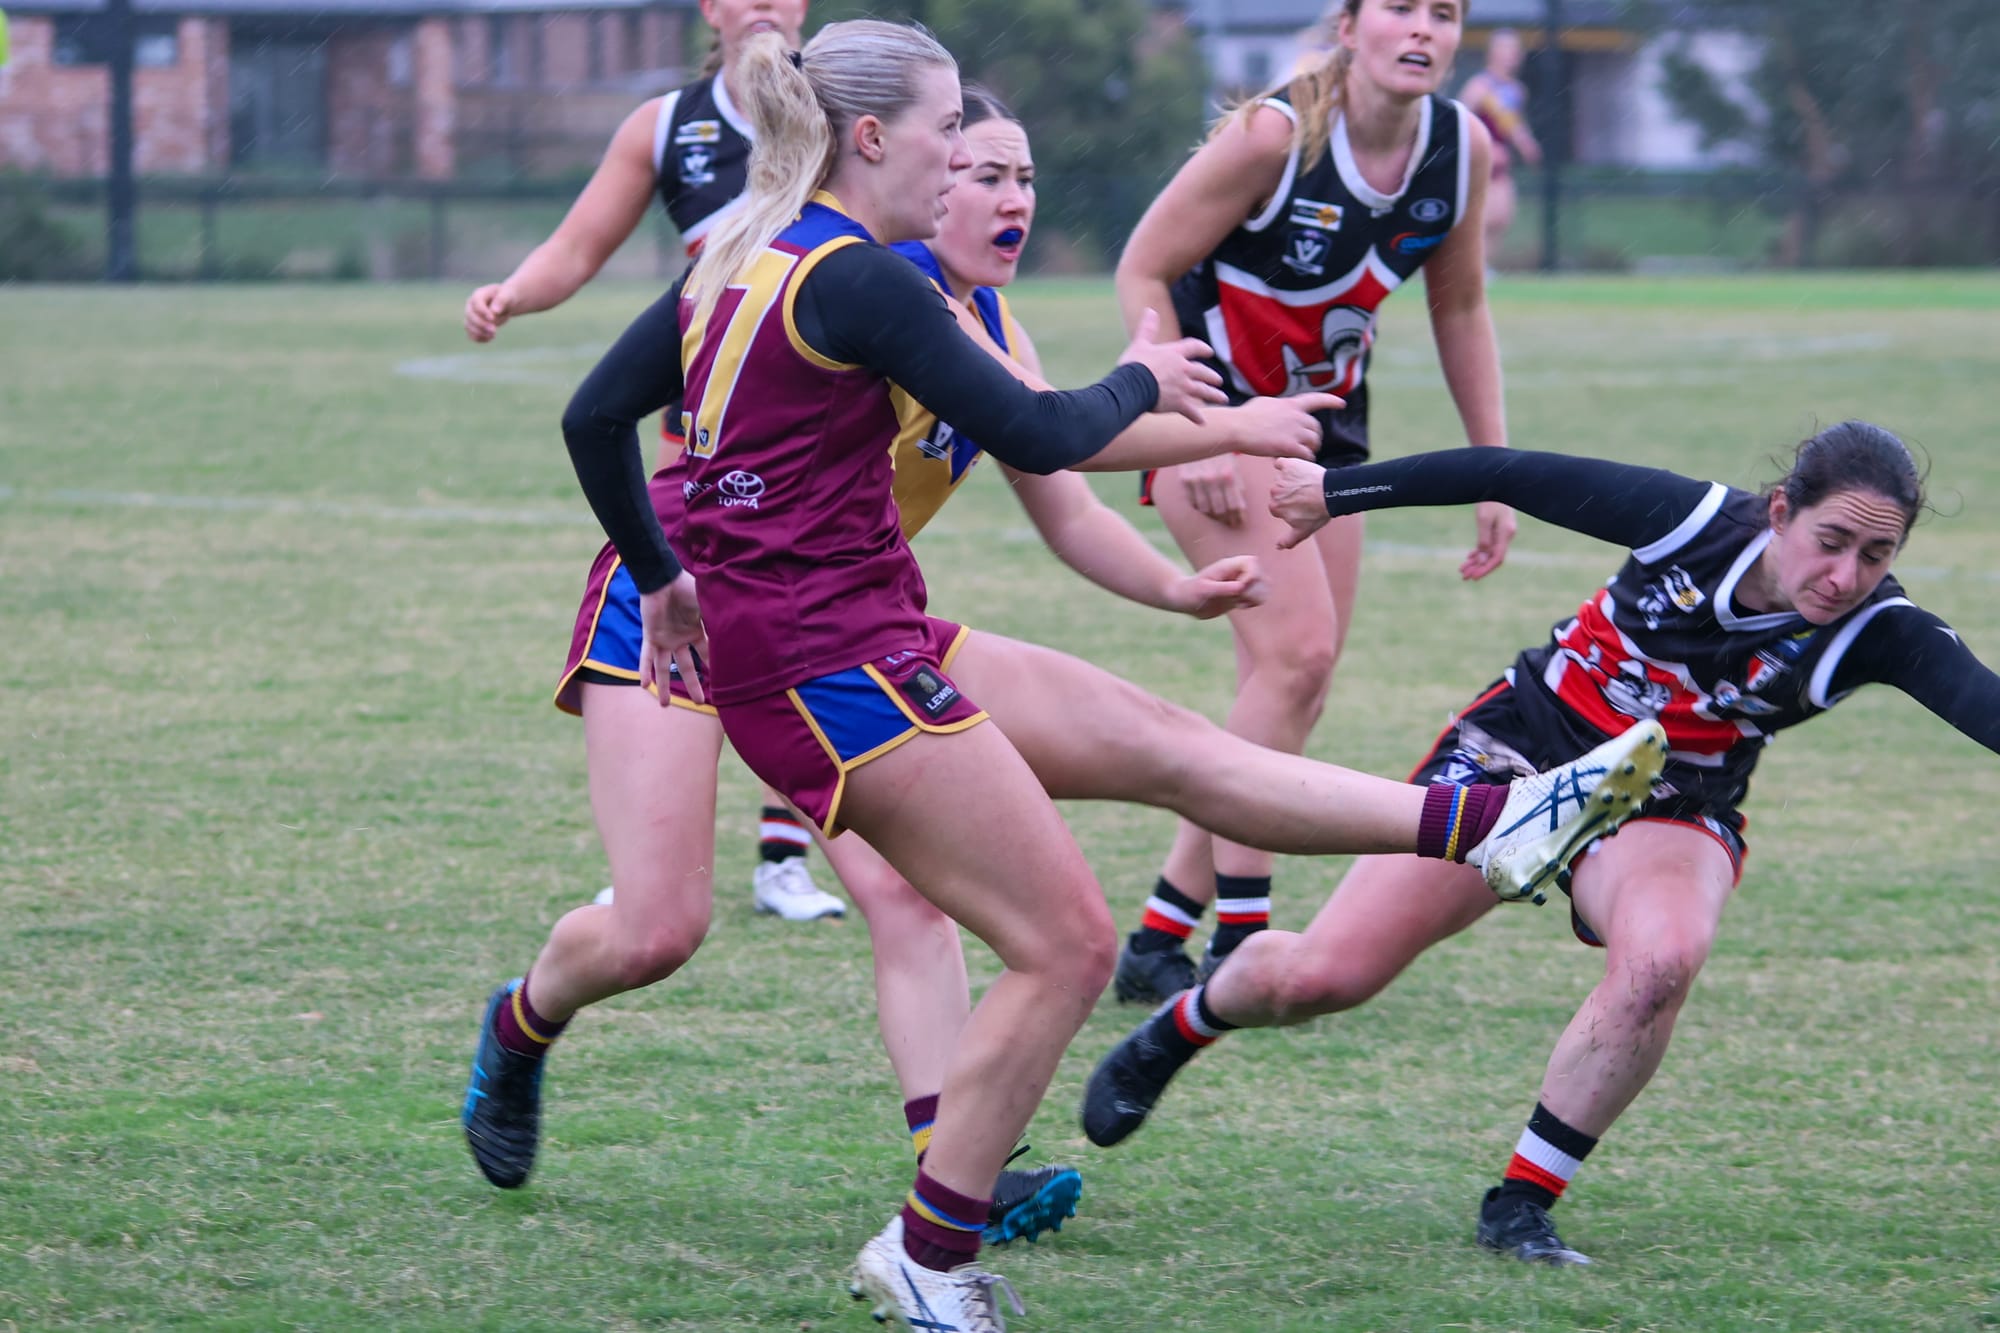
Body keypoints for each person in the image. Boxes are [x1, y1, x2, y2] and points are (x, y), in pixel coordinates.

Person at [553, 23, 1664, 1325]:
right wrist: (1157, 376)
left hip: (857, 635)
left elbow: (591, 415)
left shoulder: (753, 250)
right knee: (1069, 944)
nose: (963, 157)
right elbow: (1038, 430)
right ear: (871, 141)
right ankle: (927, 1248)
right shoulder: (855, 277)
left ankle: (1497, 822)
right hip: (823, 667)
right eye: (946, 134)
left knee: (1175, 753)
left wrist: (664, 571)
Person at [476, 80, 1340, 1248]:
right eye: (976, 169)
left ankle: (953, 1160)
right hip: (674, 602)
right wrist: (1223, 423)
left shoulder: (986, 327)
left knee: (904, 885)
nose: (1002, 196)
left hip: (829, 633)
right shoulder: (832, 282)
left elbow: (1062, 477)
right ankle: (523, 1024)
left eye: (1021, 176)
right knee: (657, 928)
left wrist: (1175, 584)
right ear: (906, 176)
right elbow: (604, 416)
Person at [1083, 424, 2000, 1269]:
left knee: (1663, 958)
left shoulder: (1882, 631)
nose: (1844, 575)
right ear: (1780, 513)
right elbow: (1506, 472)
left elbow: (1981, 704)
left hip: (1669, 802)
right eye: (1831, 541)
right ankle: (1190, 1021)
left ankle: (1520, 1204)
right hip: (1521, 751)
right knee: (1318, 979)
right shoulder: (1688, 522)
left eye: (1876, 554)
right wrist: (1336, 491)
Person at [1110, 0, 1522, 1006]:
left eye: (1445, 12)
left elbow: (1458, 305)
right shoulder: (1274, 132)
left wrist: (1494, 466)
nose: (1422, 28)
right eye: (1398, 8)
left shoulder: (1456, 148)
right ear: (1347, 25)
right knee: (1293, 660)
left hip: (1322, 430)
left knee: (1292, 678)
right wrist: (1196, 419)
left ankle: (1161, 932)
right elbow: (1144, 268)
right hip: (1218, 414)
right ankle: (1236, 935)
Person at [462, 0, 848, 922]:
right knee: (687, 625)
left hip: (824, 423)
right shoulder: (670, 124)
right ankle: (653, 851)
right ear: (709, 9)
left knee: (813, 624)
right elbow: (578, 244)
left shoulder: (842, 98)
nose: (764, 5)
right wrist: (515, 293)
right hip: (707, 428)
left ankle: (784, 858)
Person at [1458, 28, 1542, 268]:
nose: (1512, 56)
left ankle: (1482, 266)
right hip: (1480, 164)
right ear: (1493, 53)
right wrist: (1485, 148)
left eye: (1515, 51)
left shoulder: (1515, 90)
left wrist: (1526, 145)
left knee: (1502, 216)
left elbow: (1513, 123)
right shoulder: (1479, 86)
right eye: (1506, 50)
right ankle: (1467, 266)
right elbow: (1462, 121)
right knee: (1479, 219)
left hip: (1502, 166)